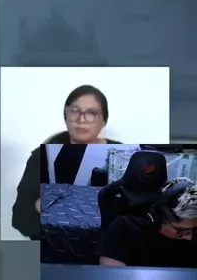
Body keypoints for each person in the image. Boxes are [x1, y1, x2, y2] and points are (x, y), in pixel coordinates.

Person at [11, 84, 119, 239]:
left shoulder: (123, 155)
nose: (81, 120)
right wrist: (40, 205)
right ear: (66, 116)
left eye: (91, 113)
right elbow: (20, 219)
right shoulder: (42, 157)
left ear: (103, 120)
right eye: (75, 112)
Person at [99, 178, 197, 267]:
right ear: (157, 219)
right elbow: (113, 275)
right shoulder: (124, 229)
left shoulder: (193, 236)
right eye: (181, 231)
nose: (189, 237)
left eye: (194, 229)